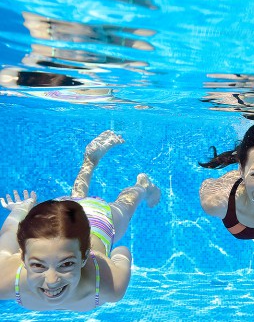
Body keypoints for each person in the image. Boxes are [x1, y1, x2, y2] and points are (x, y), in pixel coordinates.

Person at [0, 130, 160, 311]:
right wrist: (21, 208)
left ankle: (142, 186)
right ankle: (90, 161)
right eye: (37, 265)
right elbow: (9, 234)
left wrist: (21, 209)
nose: (52, 281)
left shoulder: (110, 284)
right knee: (81, 205)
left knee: (125, 208)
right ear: (23, 257)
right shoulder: (5, 278)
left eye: (66, 264)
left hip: (98, 221)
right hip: (61, 213)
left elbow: (121, 251)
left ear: (85, 256)